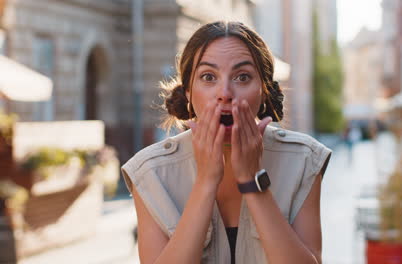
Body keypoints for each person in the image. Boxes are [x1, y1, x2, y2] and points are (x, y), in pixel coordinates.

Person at [121, 21, 332, 264]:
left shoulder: (304, 160)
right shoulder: (151, 172)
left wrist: (252, 181)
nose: (225, 92)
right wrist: (205, 181)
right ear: (188, 91)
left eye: (242, 77)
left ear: (263, 90)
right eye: (208, 77)